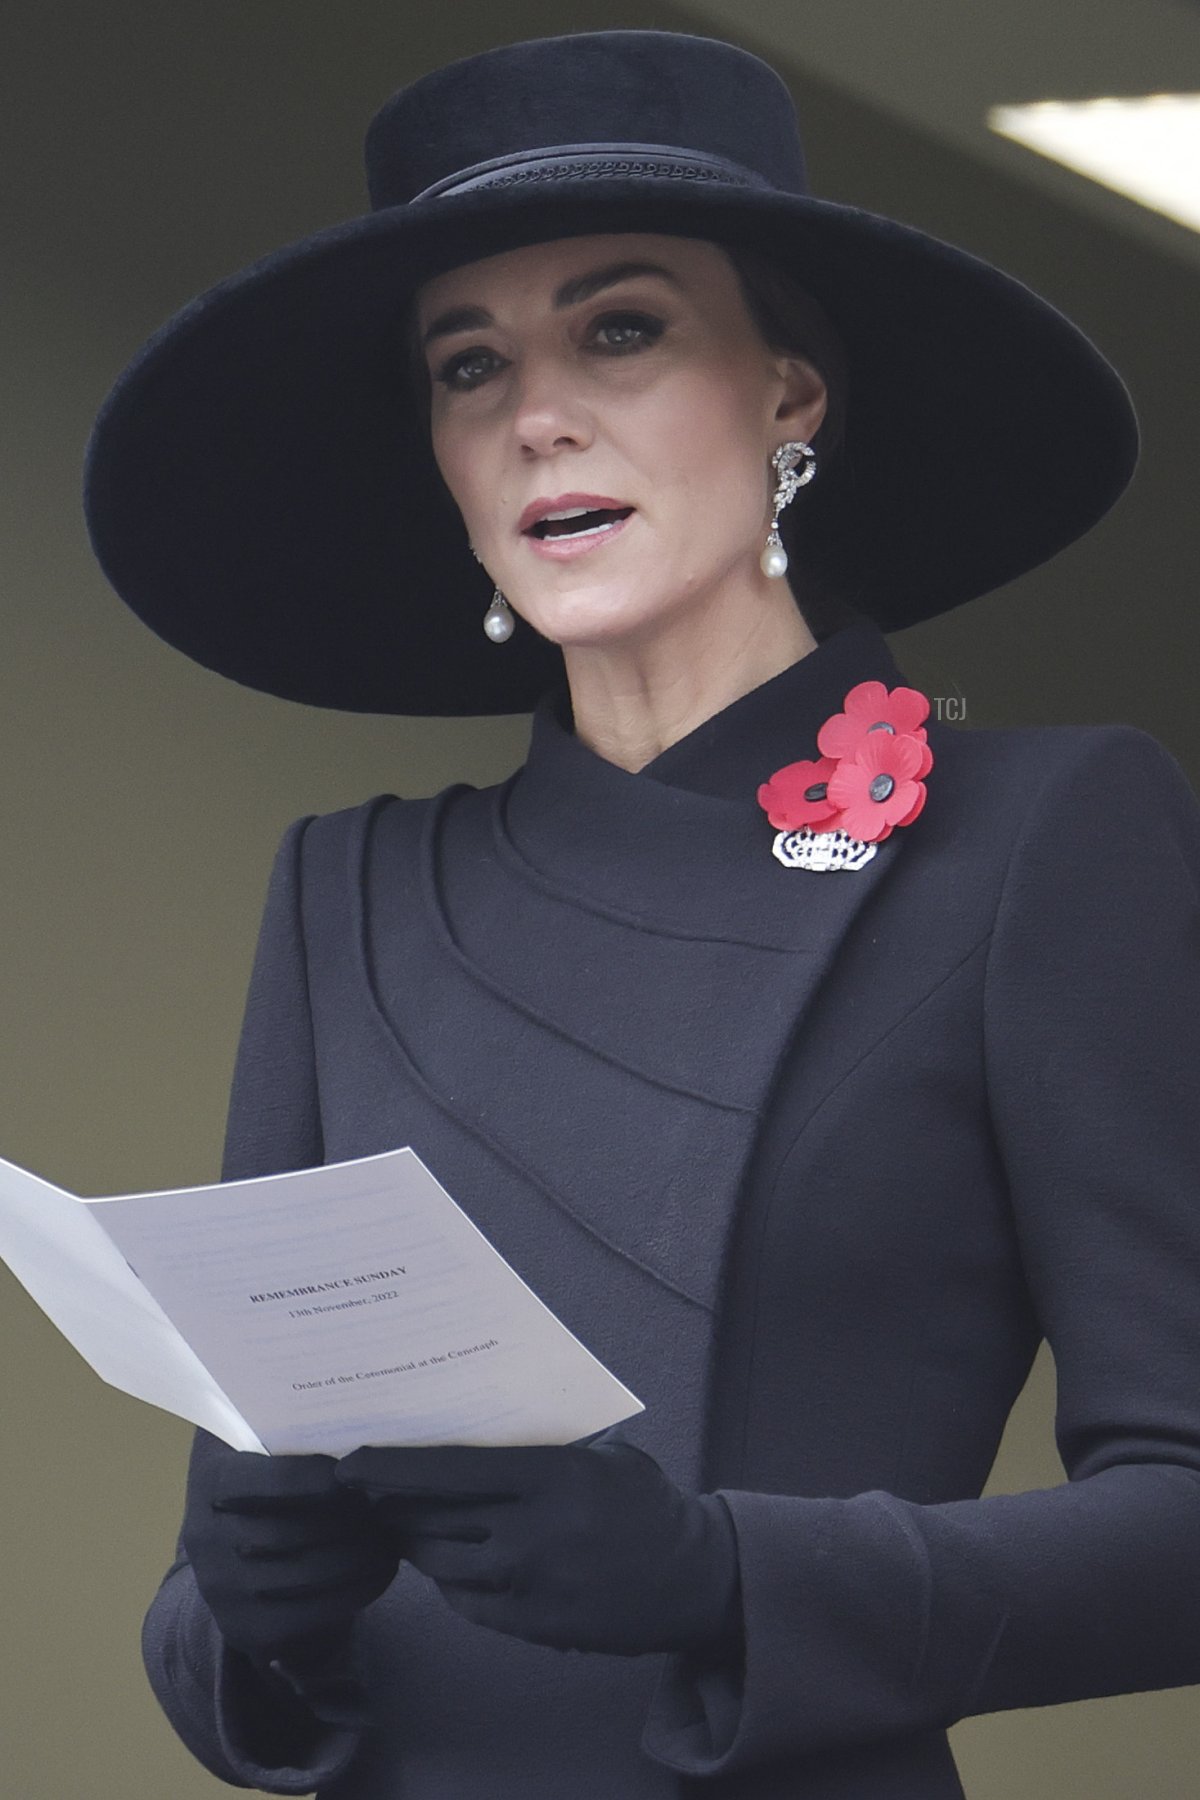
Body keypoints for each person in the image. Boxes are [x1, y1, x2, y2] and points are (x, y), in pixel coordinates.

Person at [81, 28, 1200, 1800]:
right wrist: (247, 1617)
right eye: (469, 364)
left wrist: (726, 1578)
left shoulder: (1045, 839)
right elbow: (212, 1605)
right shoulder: (346, 893)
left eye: (622, 327)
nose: (537, 413)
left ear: (790, 394)